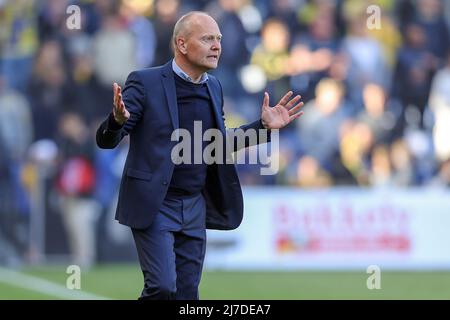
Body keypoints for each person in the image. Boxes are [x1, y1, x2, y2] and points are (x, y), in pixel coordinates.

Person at [96, 11, 303, 300]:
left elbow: (216, 145)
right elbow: (107, 141)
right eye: (207, 39)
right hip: (156, 203)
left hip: (194, 205)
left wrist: (263, 127)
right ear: (181, 44)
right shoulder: (145, 82)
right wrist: (116, 121)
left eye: (218, 39)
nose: (217, 45)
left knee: (187, 295)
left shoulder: (214, 87)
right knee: (162, 287)